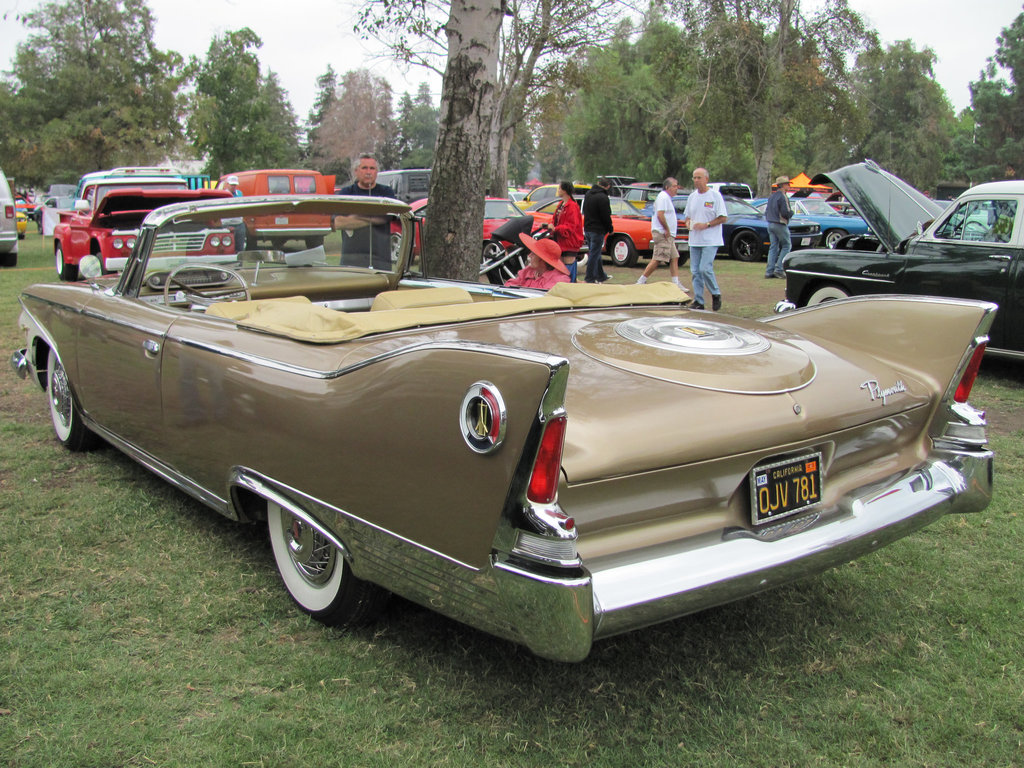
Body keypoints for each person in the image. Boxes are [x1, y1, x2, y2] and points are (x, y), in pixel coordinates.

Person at [335, 154, 397, 268]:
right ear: (356, 171)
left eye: (372, 168)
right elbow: (338, 222)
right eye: (364, 168)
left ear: (377, 172)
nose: (368, 172)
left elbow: (386, 217)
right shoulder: (346, 193)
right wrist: (374, 217)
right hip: (351, 259)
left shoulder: (386, 193)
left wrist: (355, 217)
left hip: (381, 260)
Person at [682, 168, 727, 311]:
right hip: (695, 239)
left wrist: (706, 224)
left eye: (699, 178)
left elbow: (723, 217)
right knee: (695, 271)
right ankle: (699, 301)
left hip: (710, 239)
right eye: (694, 178)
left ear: (706, 179)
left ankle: (715, 293)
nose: (696, 181)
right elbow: (687, 216)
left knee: (704, 268)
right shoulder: (692, 197)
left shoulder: (715, 196)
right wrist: (688, 223)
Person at [636, 178, 683, 288]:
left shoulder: (667, 198)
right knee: (658, 258)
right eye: (674, 186)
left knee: (674, 257)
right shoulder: (663, 197)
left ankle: (676, 283)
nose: (677, 188)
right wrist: (666, 229)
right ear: (667, 187)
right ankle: (641, 281)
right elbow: (660, 214)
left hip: (668, 234)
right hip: (663, 233)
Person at [545, 181, 584, 281]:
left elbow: (571, 226)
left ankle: (570, 285)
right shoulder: (561, 204)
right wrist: (549, 226)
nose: (558, 190)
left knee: (568, 266)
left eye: (559, 188)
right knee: (561, 267)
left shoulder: (572, 206)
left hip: (569, 242)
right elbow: (556, 220)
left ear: (564, 190)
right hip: (560, 241)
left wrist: (556, 228)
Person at [504, 233, 571, 289]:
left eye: (533, 253)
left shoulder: (559, 280)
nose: (529, 255)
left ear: (543, 259)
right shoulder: (529, 271)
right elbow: (508, 285)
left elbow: (544, 298)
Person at [582, 177, 613, 283]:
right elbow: (606, 216)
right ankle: (589, 277)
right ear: (607, 186)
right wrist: (610, 228)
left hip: (588, 228)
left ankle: (601, 275)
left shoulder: (588, 194)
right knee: (594, 254)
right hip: (598, 229)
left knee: (595, 252)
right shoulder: (603, 197)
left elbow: (585, 210)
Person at [765, 175, 792, 278]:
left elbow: (767, 211)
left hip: (770, 223)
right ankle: (779, 269)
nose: (789, 186)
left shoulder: (772, 196)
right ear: (783, 185)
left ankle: (769, 271)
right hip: (779, 223)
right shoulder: (782, 196)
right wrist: (791, 213)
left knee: (773, 247)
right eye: (787, 184)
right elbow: (785, 212)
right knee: (786, 245)